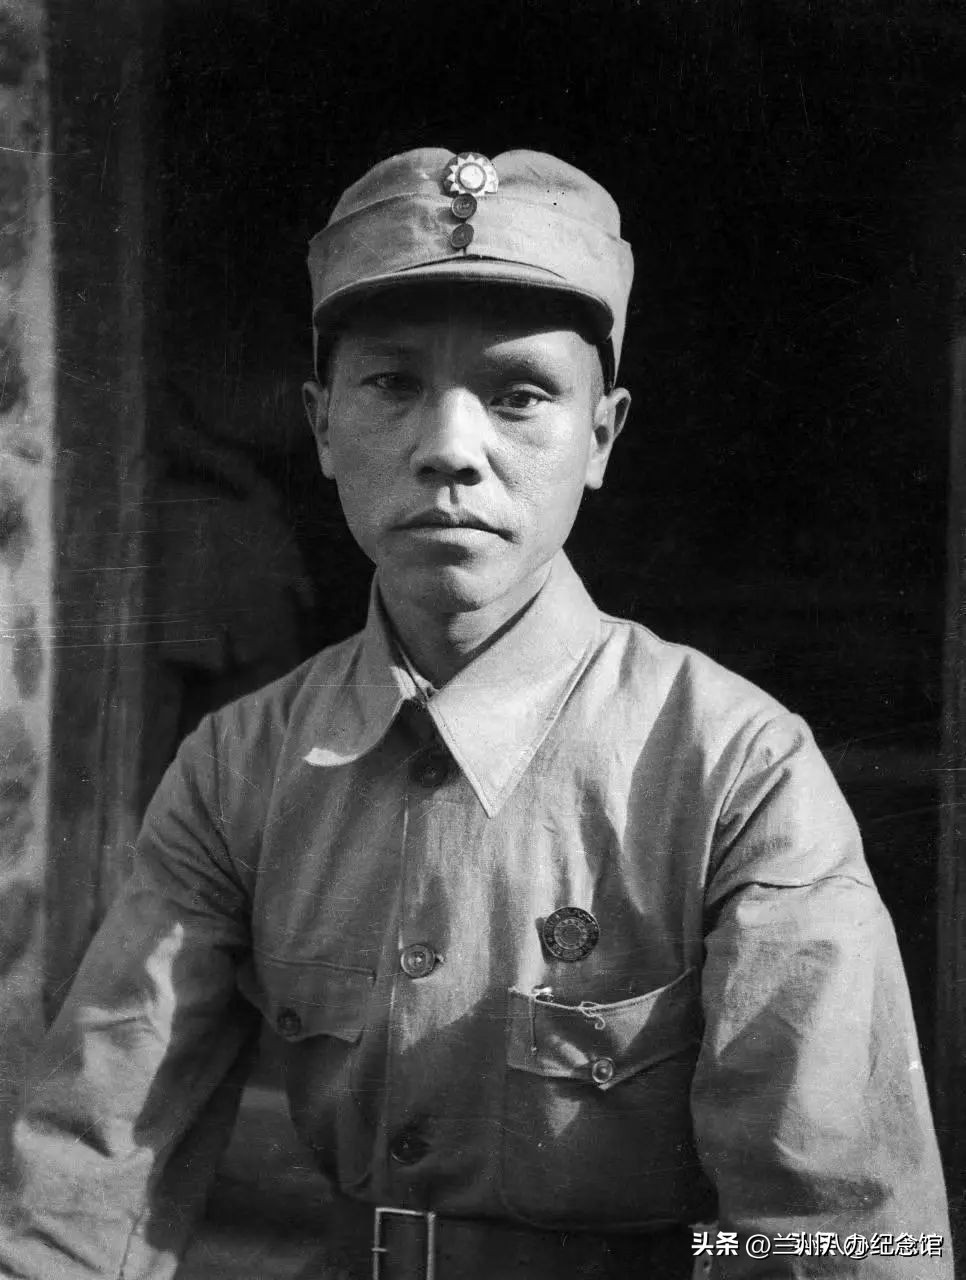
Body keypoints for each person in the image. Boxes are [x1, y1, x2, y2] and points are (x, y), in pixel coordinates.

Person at [0, 148, 951, 1280]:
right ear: (319, 425)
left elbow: (847, 1242)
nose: (450, 448)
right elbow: (85, 1182)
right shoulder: (237, 766)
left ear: (601, 436)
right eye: (391, 385)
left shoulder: (738, 768)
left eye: (520, 394)